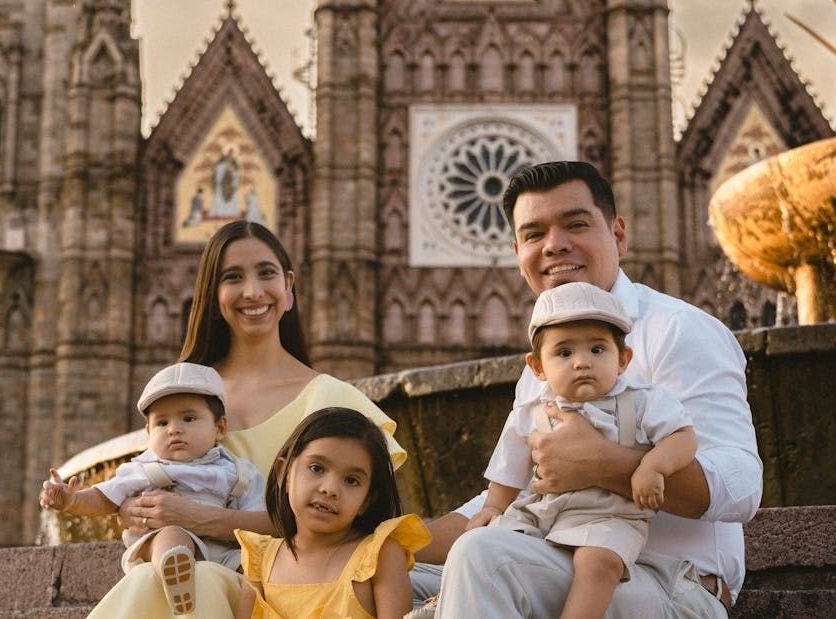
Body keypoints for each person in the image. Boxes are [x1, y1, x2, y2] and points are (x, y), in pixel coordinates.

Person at [425, 161, 762, 617]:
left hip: (670, 581)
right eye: (533, 234)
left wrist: (607, 464)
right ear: (518, 252)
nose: (554, 245)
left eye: (575, 224)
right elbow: (506, 494)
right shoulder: (546, 360)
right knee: (372, 578)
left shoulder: (677, 330)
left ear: (618, 236)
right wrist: (383, 540)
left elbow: (742, 487)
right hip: (552, 556)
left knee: (483, 557)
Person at [87, 220, 407, 618]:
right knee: (159, 578)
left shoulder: (332, 398)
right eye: (233, 277)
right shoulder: (185, 395)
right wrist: (132, 509)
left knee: (196, 580)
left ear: (289, 287)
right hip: (183, 571)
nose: (253, 292)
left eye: (266, 273)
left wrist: (208, 519)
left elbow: (367, 522)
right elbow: (148, 480)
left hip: (283, 583)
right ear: (213, 296)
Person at [466, 281, 697, 618]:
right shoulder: (529, 414)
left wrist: (654, 467)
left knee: (599, 563)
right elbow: (507, 470)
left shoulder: (644, 401)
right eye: (564, 352)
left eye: (597, 350)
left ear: (623, 359)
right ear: (537, 366)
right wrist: (492, 507)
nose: (581, 362)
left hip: (611, 515)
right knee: (494, 548)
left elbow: (684, 437)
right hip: (542, 515)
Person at [41, 362, 266, 615]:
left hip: (224, 551)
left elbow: (261, 518)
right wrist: (71, 500)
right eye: (162, 423)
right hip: (168, 538)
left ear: (220, 428)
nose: (174, 429)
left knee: (254, 565)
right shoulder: (144, 468)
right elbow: (106, 497)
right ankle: (174, 574)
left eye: (189, 418)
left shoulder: (238, 471)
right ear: (148, 432)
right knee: (171, 537)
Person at [235, 407, 430, 618]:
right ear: (285, 474)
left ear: (367, 500)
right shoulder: (260, 562)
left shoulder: (378, 556)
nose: (330, 489)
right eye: (317, 468)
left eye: (351, 480)